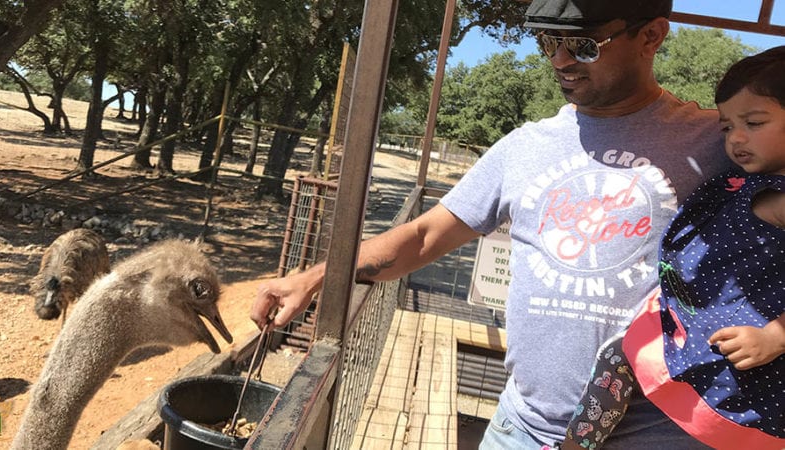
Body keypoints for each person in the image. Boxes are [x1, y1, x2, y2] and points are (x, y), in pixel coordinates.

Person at [252, 0, 733, 448]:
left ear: (652, 36)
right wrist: (315, 276)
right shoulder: (525, 146)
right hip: (520, 429)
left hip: (657, 435)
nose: (560, 60)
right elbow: (425, 235)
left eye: (584, 45)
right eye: (549, 42)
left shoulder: (721, 146)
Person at [553, 46, 785, 450]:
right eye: (727, 127)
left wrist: (775, 337)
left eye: (754, 121)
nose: (737, 138)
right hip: (688, 322)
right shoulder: (741, 181)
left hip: (737, 344)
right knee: (619, 357)